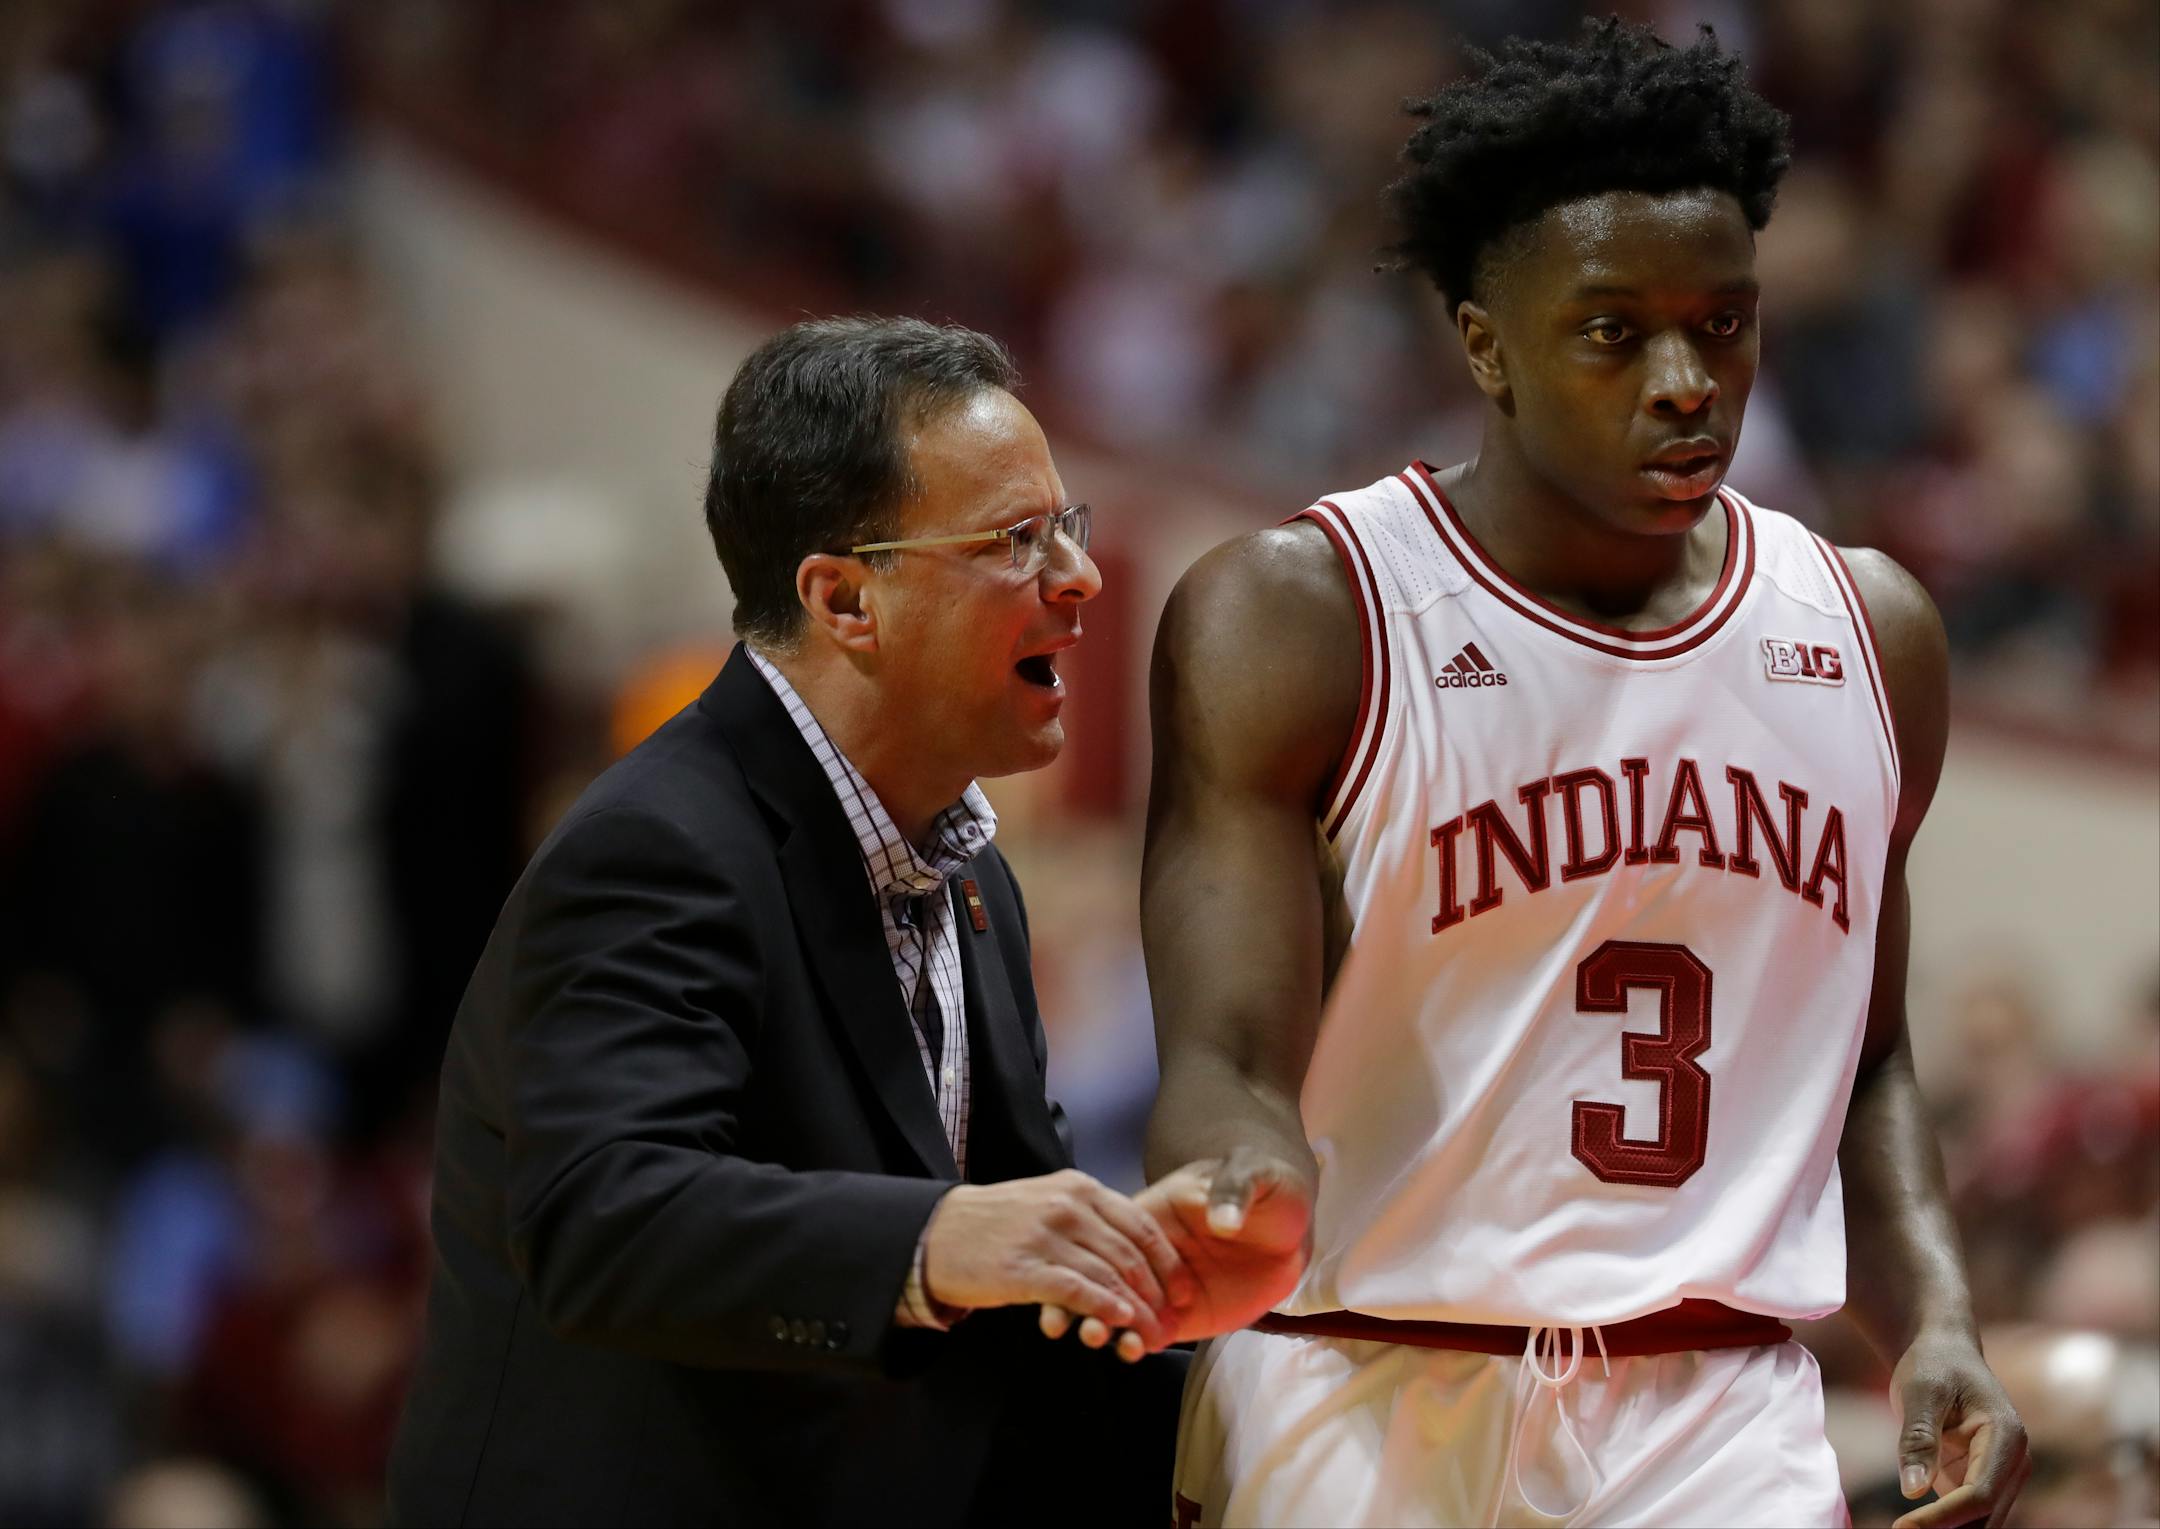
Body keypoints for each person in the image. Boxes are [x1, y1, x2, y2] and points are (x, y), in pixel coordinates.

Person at [1141, 22, 2031, 1529]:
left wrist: (1931, 1312)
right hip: (1359, 1377)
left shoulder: (1871, 632)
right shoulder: (1307, 613)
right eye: (1617, 332)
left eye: (1724, 325)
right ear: (1485, 343)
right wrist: (1235, 1175)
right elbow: (1223, 1058)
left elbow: (1864, 1056)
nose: (1689, 381)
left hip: (1714, 1410)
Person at [388, 317, 1197, 1527]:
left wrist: (1277, 1400)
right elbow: (602, 1216)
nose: (1076, 577)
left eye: (1066, 528)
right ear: (844, 597)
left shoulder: (971, 875)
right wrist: (939, 1233)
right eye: (1017, 540)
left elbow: (1018, 1325)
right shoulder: (659, 845)